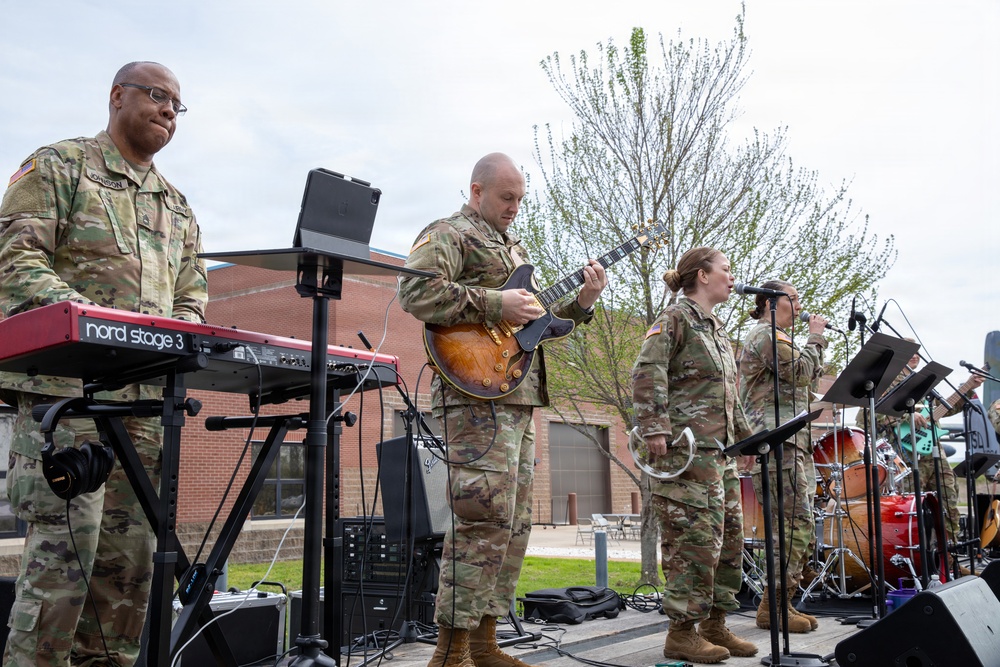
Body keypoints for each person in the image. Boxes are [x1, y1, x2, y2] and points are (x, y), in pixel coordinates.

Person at [0, 62, 207, 666]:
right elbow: (16, 261)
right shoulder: (60, 167)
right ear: (117, 96)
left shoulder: (177, 204)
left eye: (178, 104)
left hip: (142, 410)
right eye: (158, 96)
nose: (169, 110)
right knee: (64, 569)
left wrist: (185, 329)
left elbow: (192, 292)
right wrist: (99, 322)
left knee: (128, 578)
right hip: (67, 401)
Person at [398, 153, 607, 667]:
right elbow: (414, 291)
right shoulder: (449, 233)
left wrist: (581, 304)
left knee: (512, 525)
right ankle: (449, 655)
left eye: (520, 199)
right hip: (474, 403)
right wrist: (496, 304)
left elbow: (532, 329)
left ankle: (486, 643)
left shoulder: (512, 247)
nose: (514, 207)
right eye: (505, 197)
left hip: (516, 399)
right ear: (476, 191)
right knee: (479, 521)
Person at [631, 247, 757, 664]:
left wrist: (746, 440)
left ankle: (716, 624)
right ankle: (681, 633)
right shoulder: (675, 317)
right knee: (694, 545)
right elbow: (648, 369)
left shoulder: (715, 328)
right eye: (727, 269)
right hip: (686, 455)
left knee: (729, 542)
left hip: (718, 456)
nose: (732, 276)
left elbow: (728, 394)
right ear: (702, 275)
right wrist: (654, 427)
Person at [738, 280, 828, 633]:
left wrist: (812, 346)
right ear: (769, 302)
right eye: (793, 298)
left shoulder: (779, 338)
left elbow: (804, 379)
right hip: (776, 441)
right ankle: (772, 606)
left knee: (798, 523)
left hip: (791, 440)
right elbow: (802, 372)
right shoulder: (766, 335)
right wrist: (816, 337)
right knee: (792, 523)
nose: (799, 305)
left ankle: (780, 603)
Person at [857, 343, 983, 552]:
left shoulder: (923, 384)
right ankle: (913, 559)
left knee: (948, 501)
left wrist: (969, 387)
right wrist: (906, 414)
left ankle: (948, 557)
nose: (915, 356)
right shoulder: (884, 382)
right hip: (904, 456)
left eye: (918, 353)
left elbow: (941, 409)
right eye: (910, 353)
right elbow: (866, 415)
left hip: (933, 452)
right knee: (912, 509)